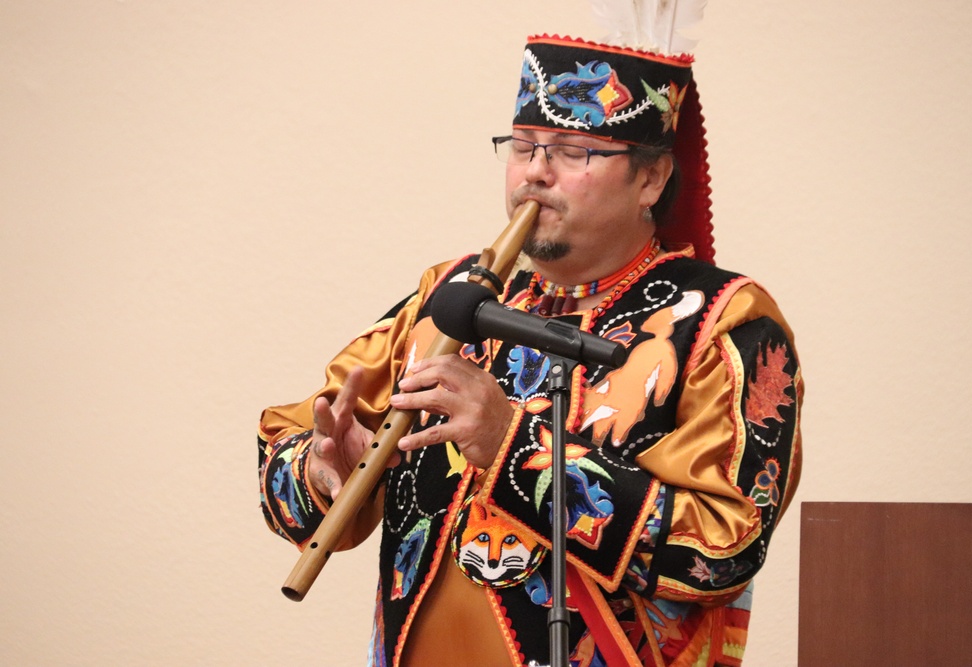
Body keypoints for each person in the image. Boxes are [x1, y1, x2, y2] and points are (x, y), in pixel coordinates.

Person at [258, 33, 802, 667]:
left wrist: (512, 445)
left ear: (652, 177)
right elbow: (287, 440)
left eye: (573, 151)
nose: (536, 173)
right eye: (521, 148)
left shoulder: (721, 322)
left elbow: (724, 549)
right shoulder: (453, 294)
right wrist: (327, 472)